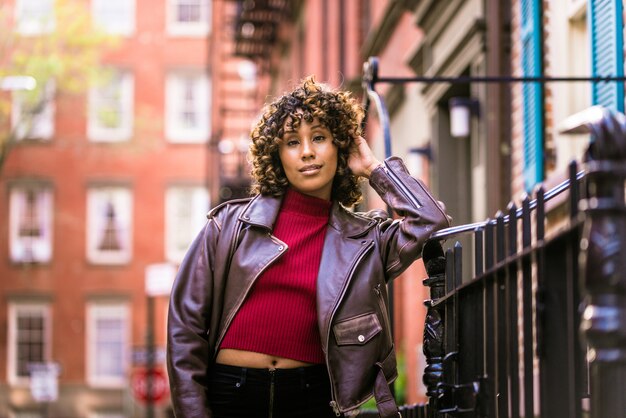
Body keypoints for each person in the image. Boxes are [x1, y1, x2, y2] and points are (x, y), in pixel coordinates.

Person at [166, 76, 451, 418]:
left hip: (312, 396)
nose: (307, 152)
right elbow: (185, 328)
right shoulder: (228, 226)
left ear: (340, 147)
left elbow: (430, 222)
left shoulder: (366, 240)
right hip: (231, 393)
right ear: (278, 154)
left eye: (319, 138)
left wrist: (374, 169)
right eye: (291, 142)